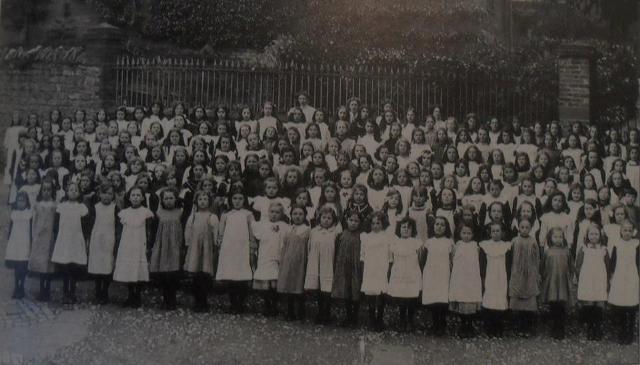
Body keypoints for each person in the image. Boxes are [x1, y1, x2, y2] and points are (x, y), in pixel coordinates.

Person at [113, 186, 154, 308]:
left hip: (140, 244)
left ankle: (138, 296)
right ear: (129, 197)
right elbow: (120, 231)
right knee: (130, 270)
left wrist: (148, 245)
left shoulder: (146, 212)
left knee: (139, 269)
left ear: (142, 197)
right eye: (133, 195)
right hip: (127, 245)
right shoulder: (124, 213)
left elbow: (149, 231)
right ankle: (130, 295)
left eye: (138, 195)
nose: (135, 198)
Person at [51, 182, 89, 305]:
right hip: (64, 239)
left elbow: (85, 226)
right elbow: (56, 225)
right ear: (67, 192)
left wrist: (84, 238)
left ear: (79, 193)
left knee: (73, 266)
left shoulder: (82, 208)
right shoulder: (61, 206)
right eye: (71, 190)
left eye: (76, 190)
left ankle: (72, 292)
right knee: (65, 266)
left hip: (76, 239)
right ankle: (65, 293)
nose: (73, 192)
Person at [251, 202, 289, 317]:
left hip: (277, 256)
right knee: (265, 280)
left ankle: (275, 305)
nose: (274, 215)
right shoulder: (262, 225)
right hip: (265, 255)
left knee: (275, 282)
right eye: (272, 212)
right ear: (268, 213)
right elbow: (256, 236)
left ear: (281, 214)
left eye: (277, 212)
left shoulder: (284, 226)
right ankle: (267, 304)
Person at [149, 188, 184, 310]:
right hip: (162, 245)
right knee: (164, 273)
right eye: (166, 198)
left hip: (175, 245)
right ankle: (165, 299)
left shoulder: (180, 212)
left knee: (173, 273)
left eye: (171, 198)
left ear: (176, 199)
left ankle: (172, 299)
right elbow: (154, 231)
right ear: (162, 200)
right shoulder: (159, 213)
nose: (168, 201)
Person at [184, 191, 218, 312]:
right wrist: (187, 243)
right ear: (196, 202)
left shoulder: (212, 217)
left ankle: (204, 301)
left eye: (205, 199)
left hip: (207, 248)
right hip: (194, 248)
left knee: (205, 275)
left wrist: (215, 244)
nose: (203, 202)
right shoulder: (193, 216)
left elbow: (215, 232)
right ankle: (197, 301)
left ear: (209, 201)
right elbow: (188, 231)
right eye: (200, 199)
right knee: (196, 275)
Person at [387, 217, 422, 332]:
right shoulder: (395, 243)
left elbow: (420, 259)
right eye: (404, 227)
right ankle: (402, 320)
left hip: (412, 273)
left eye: (409, 228)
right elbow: (391, 259)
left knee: (411, 297)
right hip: (399, 273)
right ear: (399, 229)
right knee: (402, 297)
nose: (406, 230)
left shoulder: (416, 243)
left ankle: (410, 320)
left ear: (413, 230)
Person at [87, 183, 120, 305]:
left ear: (113, 196)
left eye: (110, 194)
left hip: (109, 239)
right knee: (97, 264)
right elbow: (90, 224)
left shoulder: (115, 208)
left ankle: (105, 291)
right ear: (99, 194)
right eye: (104, 193)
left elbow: (117, 226)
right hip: (97, 239)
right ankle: (97, 290)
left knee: (107, 265)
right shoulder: (95, 207)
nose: (106, 196)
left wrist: (116, 239)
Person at [608, 219, 639, 344]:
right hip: (619, 276)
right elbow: (613, 261)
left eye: (630, 230)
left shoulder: (636, 244)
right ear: (620, 231)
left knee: (631, 304)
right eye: (625, 230)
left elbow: (638, 262)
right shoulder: (617, 244)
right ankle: (621, 331)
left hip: (632, 276)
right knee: (620, 304)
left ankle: (630, 331)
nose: (627, 233)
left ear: (633, 232)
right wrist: (611, 276)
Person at [575, 223, 609, 340]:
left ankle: (597, 328)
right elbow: (578, 266)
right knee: (588, 303)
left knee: (599, 303)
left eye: (596, 234)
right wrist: (580, 278)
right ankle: (589, 328)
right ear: (587, 235)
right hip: (587, 280)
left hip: (600, 280)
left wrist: (608, 280)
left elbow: (608, 266)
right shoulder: (584, 249)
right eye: (591, 234)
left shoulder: (604, 249)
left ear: (600, 235)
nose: (593, 236)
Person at [448, 224, 482, 338]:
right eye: (464, 233)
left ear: (472, 235)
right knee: (461, 299)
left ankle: (470, 325)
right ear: (460, 234)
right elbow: (452, 260)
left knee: (470, 299)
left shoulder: (475, 246)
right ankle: (463, 325)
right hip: (460, 278)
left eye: (469, 233)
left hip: (471, 279)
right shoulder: (457, 245)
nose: (466, 236)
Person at [277, 205, 310, 321]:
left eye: (300, 214)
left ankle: (301, 311)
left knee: (299, 285)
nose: (297, 216)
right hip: (289, 261)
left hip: (301, 262)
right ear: (291, 215)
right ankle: (290, 311)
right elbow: (283, 246)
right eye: (295, 214)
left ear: (305, 216)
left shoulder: (307, 230)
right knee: (289, 285)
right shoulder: (288, 229)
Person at [422, 216, 454, 336]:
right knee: (433, 298)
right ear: (433, 226)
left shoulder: (449, 242)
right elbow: (423, 259)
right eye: (437, 224)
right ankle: (435, 323)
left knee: (442, 297)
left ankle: (442, 323)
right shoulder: (429, 242)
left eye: (442, 225)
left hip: (444, 273)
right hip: (431, 273)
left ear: (446, 228)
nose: (439, 227)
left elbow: (452, 259)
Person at [360, 212, 392, 331]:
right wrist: (363, 267)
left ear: (383, 224)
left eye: (378, 223)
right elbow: (362, 255)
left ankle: (380, 318)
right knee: (371, 293)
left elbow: (389, 255)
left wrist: (389, 266)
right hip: (370, 268)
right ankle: (371, 318)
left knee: (381, 293)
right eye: (373, 223)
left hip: (382, 267)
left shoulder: (386, 237)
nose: (375, 226)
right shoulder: (366, 237)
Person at [508, 218, 540, 337]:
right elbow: (510, 258)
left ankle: (528, 327)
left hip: (530, 274)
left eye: (527, 227)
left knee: (529, 302)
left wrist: (536, 273)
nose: (524, 230)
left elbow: (537, 259)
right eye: (522, 227)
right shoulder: (514, 241)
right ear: (518, 228)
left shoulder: (533, 242)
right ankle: (518, 327)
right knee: (518, 302)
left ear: (531, 229)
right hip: (517, 274)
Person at [479, 222, 512, 338]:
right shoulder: (485, 245)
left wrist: (508, 277)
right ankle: (489, 327)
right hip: (490, 276)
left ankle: (499, 327)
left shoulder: (506, 246)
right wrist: (483, 277)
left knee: (500, 298)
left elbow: (508, 264)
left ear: (502, 233)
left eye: (498, 231)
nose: (495, 233)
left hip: (501, 276)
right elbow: (482, 264)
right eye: (493, 231)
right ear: (489, 233)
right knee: (490, 298)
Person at [541, 227, 574, 339]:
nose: (558, 239)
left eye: (560, 237)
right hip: (552, 282)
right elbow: (543, 267)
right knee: (553, 306)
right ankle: (554, 328)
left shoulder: (566, 251)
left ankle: (561, 329)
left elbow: (570, 266)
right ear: (550, 238)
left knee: (561, 306)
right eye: (555, 237)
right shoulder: (547, 252)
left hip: (562, 281)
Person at [331, 211, 363, 327]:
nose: (353, 223)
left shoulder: (362, 236)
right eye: (351, 220)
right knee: (346, 291)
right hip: (344, 268)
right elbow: (337, 251)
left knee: (355, 291)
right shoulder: (341, 235)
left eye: (356, 221)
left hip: (356, 268)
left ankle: (355, 317)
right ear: (347, 220)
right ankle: (348, 316)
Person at [28, 179, 57, 301]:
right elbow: (34, 221)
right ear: (41, 191)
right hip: (40, 238)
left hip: (49, 237)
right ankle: (41, 289)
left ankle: (48, 290)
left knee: (48, 263)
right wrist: (34, 235)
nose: (46, 192)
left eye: (49, 190)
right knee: (41, 264)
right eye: (44, 190)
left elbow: (56, 222)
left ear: (52, 191)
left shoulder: (54, 205)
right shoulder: (37, 205)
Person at [5, 191, 32, 299]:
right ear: (16, 202)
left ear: (27, 202)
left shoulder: (29, 213)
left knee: (23, 266)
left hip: (24, 241)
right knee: (16, 266)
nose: (21, 203)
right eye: (19, 200)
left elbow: (31, 229)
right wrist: (9, 240)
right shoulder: (14, 213)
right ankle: (16, 286)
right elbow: (11, 228)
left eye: (23, 201)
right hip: (15, 242)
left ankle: (22, 286)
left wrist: (31, 241)